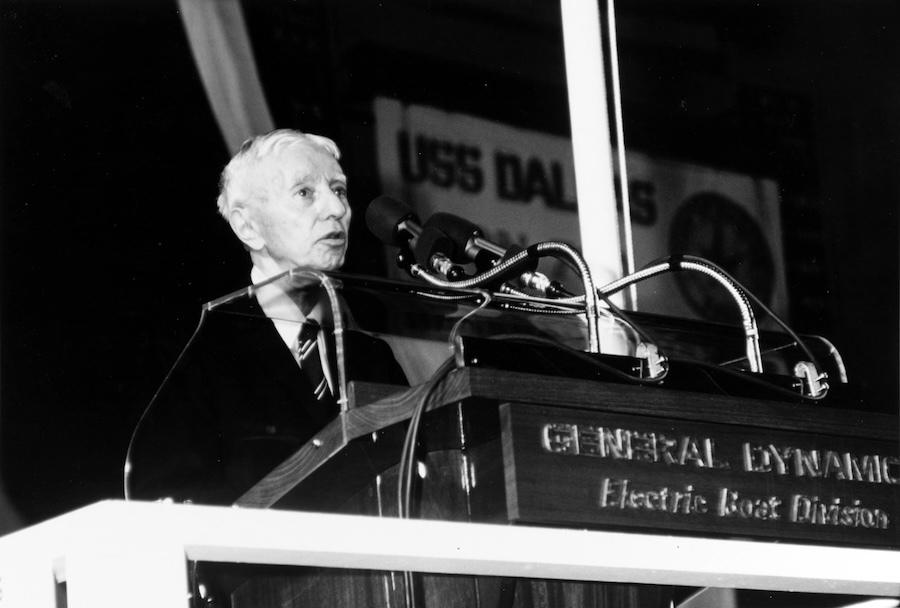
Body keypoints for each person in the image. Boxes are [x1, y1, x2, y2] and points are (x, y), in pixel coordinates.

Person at [125, 129, 408, 506]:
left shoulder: (374, 358)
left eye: (338, 190)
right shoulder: (194, 352)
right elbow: (169, 498)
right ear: (248, 227)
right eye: (305, 192)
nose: (337, 209)